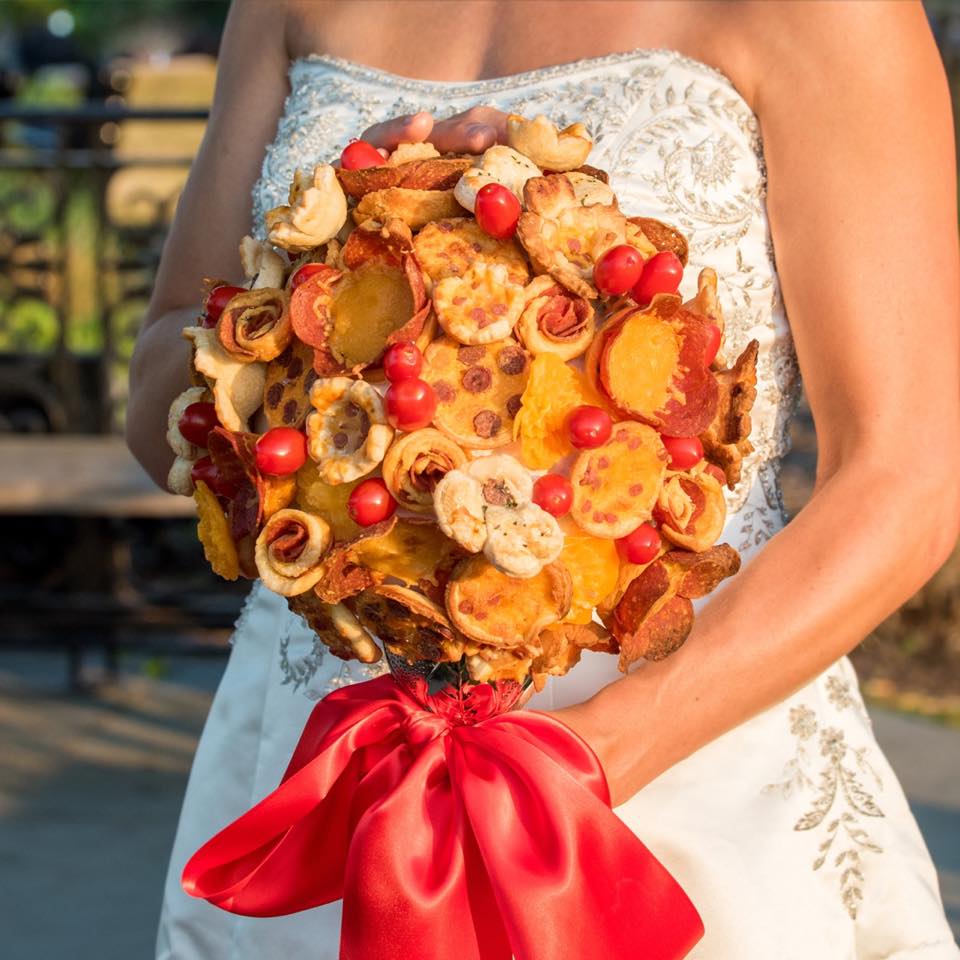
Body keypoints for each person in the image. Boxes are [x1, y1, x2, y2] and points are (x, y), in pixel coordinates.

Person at [127, 1, 960, 957]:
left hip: (683, 778)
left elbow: (905, 478)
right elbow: (159, 404)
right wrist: (322, 269)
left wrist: (606, 749)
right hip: (331, 771)